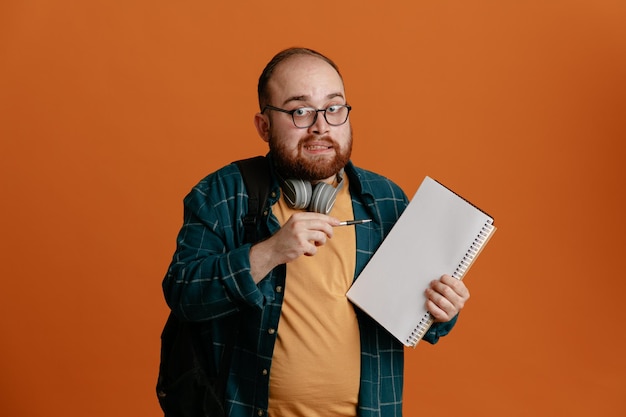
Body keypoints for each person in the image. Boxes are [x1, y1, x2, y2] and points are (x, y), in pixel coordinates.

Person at [162, 47, 470, 417]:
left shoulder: (385, 200)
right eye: (300, 111)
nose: (321, 126)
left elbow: (419, 323)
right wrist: (269, 252)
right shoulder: (223, 193)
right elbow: (182, 293)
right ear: (264, 126)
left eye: (334, 108)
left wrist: (441, 311)